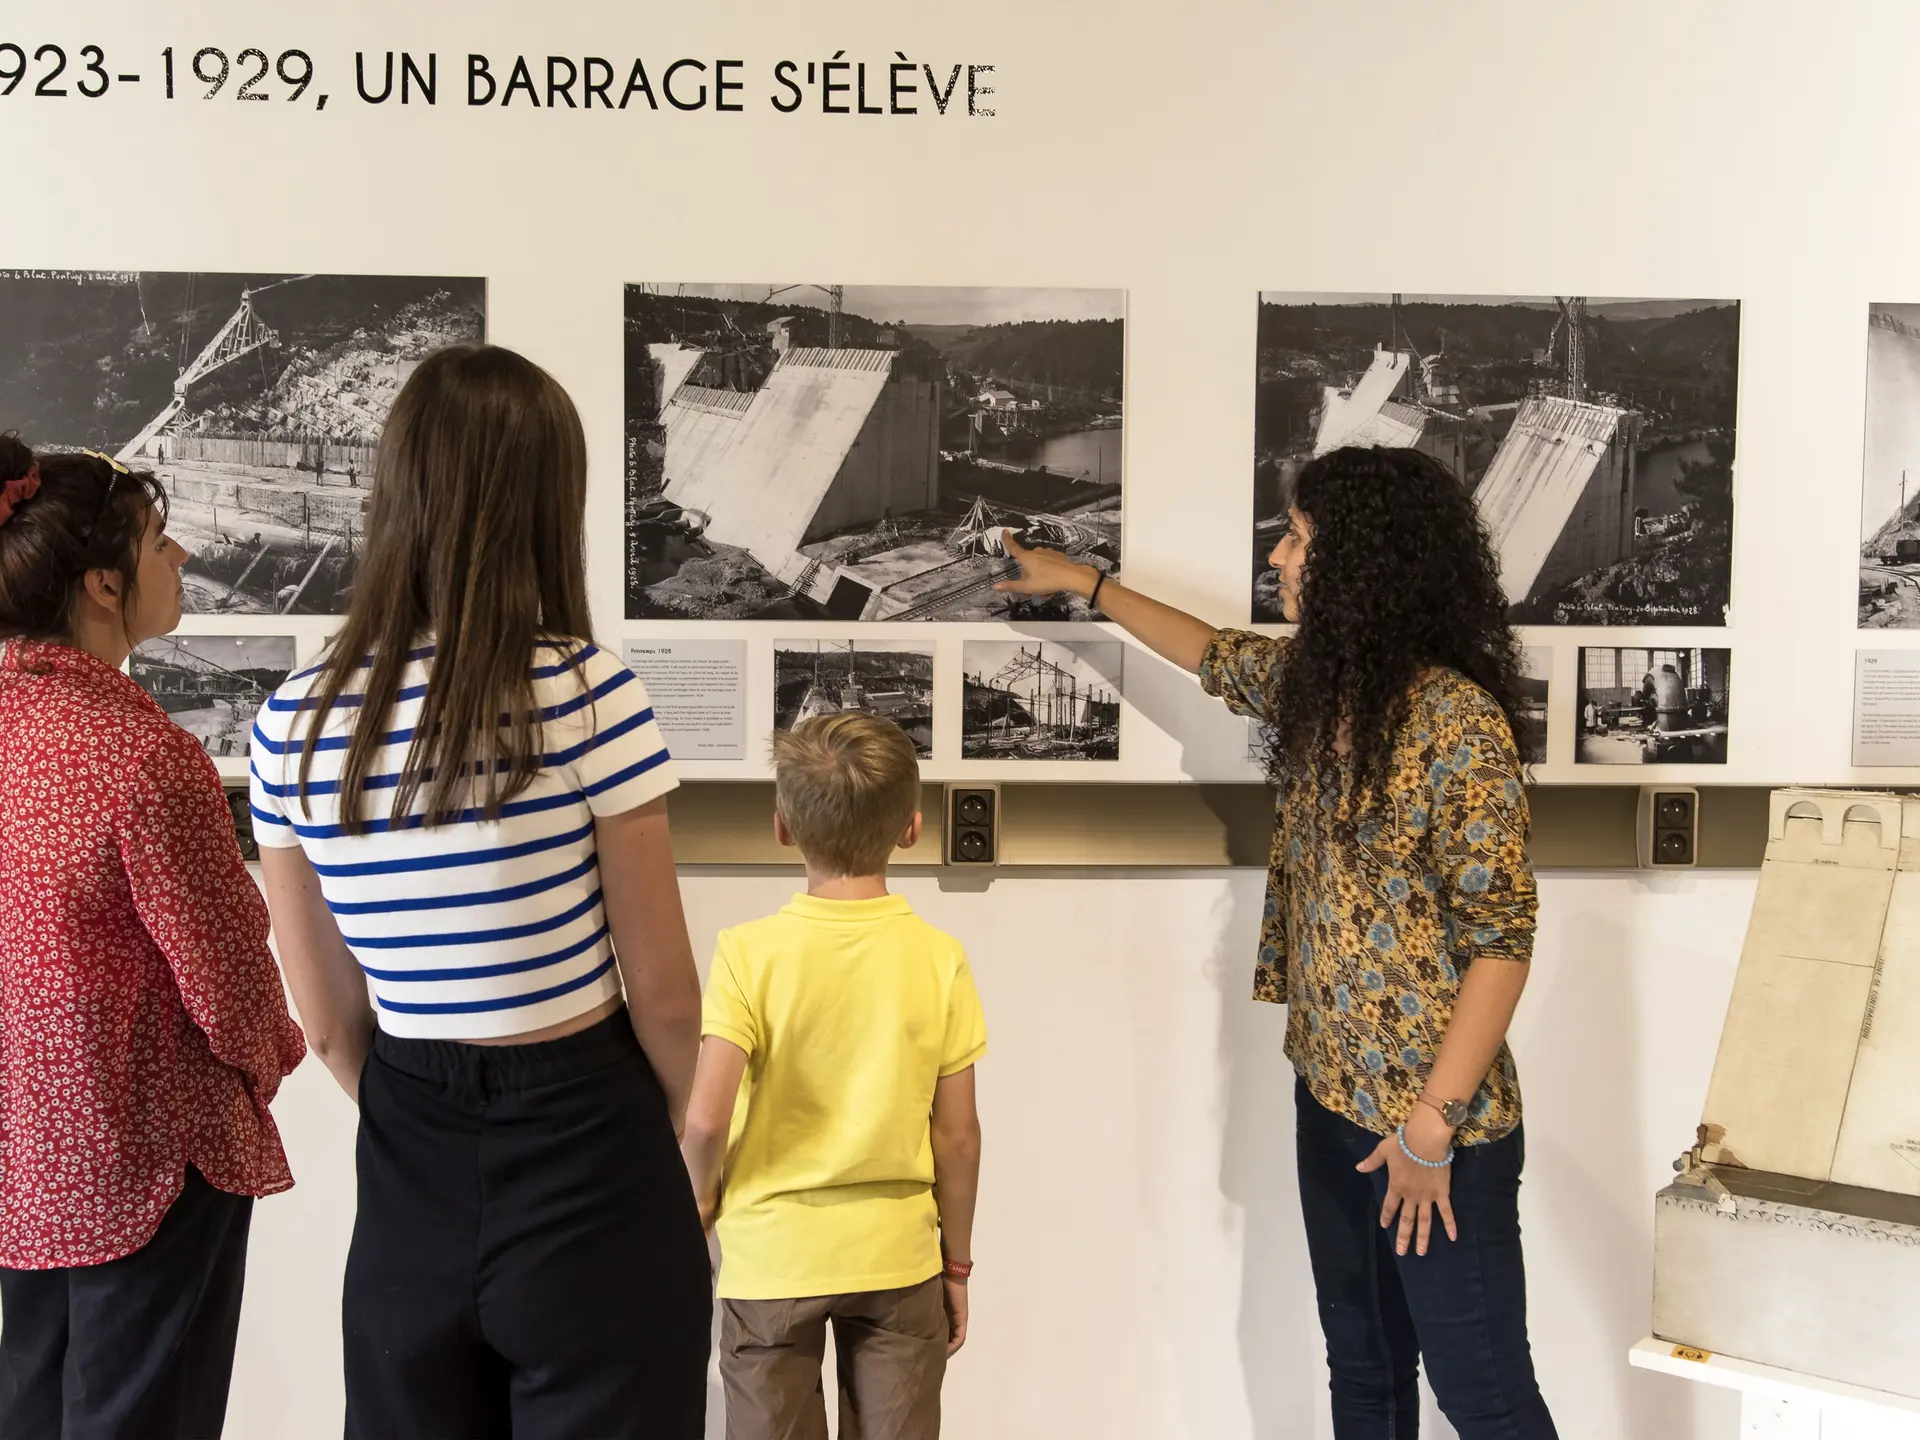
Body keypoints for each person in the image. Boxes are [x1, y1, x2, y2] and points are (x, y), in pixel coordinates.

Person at [997, 444, 1556, 1439]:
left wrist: (1431, 1127)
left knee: (1486, 1400)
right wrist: (1082, 581)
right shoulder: (1320, 683)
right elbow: (1211, 651)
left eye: (1299, 540)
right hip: (1333, 1100)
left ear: (1361, 563)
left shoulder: (1458, 726)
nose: (1280, 558)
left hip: (1436, 1133)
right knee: (1366, 1377)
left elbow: (1500, 942)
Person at [248, 346, 711, 1438]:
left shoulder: (296, 722)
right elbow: (667, 996)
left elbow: (323, 1023)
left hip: (409, 1151)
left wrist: (434, 1119)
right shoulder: (584, 691)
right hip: (591, 1144)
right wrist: (699, 1152)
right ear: (550, 498)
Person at [0, 434, 306, 1439]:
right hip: (149, 1163)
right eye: (160, 542)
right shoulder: (145, 758)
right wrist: (273, 1061)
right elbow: (229, 984)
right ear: (100, 583)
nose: (177, 560)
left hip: (25, 1165)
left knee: (35, 1411)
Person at [680, 712, 987, 1440]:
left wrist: (698, 1208)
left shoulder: (748, 954)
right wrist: (958, 1265)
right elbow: (960, 1136)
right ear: (911, 828)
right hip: (897, 1258)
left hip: (772, 1260)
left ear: (782, 826)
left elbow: (702, 1121)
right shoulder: (938, 957)